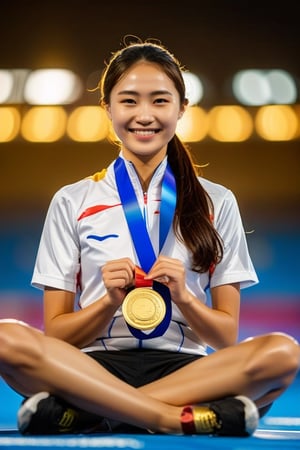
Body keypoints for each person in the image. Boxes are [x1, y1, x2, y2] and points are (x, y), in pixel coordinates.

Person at [0, 37, 299, 438]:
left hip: (188, 370)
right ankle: (170, 417)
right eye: (129, 101)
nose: (145, 115)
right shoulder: (72, 200)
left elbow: (225, 336)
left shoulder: (217, 202)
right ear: (107, 109)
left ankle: (95, 413)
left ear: (181, 109)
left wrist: (186, 299)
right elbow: (57, 335)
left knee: (282, 352)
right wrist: (106, 303)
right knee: (6, 337)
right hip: (90, 367)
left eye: (159, 100)